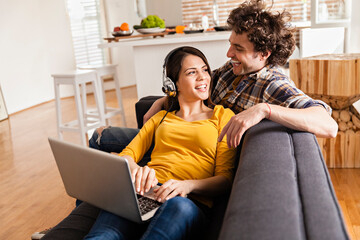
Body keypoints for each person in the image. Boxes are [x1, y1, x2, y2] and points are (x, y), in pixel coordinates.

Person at [83, 46, 236, 240]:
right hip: (145, 194)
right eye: (191, 72)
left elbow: (224, 179)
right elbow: (127, 155)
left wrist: (187, 186)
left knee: (176, 208)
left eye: (205, 70)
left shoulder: (222, 116)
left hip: (186, 201)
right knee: (101, 236)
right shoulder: (161, 118)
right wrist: (137, 170)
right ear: (174, 84)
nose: (203, 77)